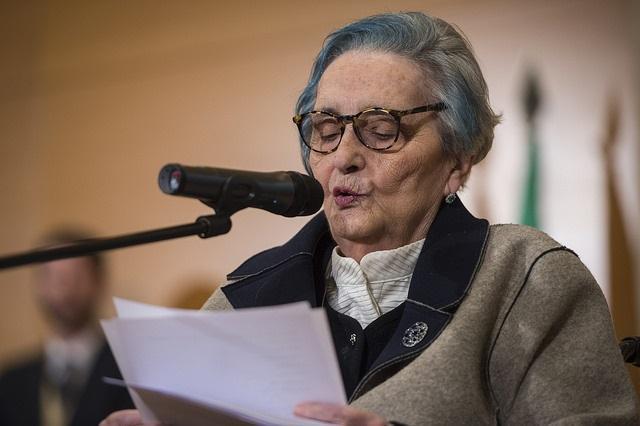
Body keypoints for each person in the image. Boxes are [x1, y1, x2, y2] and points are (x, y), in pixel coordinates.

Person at [101, 11, 639, 425]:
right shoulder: (244, 300)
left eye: (382, 129)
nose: (345, 156)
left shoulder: (527, 279)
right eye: (327, 128)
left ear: (458, 160)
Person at [0, 228, 133, 426]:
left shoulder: (130, 371)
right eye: (50, 274)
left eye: (75, 274)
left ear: (98, 281)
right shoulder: (11, 381)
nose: (63, 286)